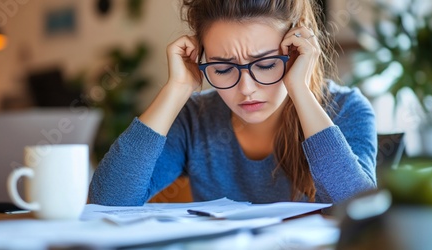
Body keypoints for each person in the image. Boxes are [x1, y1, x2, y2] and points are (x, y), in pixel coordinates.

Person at [89, 0, 377, 206]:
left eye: (265, 64)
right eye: (223, 69)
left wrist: (300, 89)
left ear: (297, 51)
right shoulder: (195, 118)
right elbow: (110, 198)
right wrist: (177, 89)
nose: (246, 89)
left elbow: (357, 208)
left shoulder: (348, 109)